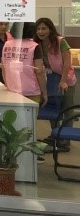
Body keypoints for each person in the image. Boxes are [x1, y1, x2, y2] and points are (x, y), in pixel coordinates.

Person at [35, 17, 77, 152]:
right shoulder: (37, 44)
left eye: (44, 28)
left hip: (66, 79)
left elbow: (67, 62)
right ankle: (55, 134)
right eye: (38, 29)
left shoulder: (60, 41)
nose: (41, 32)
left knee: (67, 108)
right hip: (51, 79)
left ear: (50, 29)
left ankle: (65, 138)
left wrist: (63, 81)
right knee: (53, 108)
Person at [2, 22, 47, 106]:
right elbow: (39, 71)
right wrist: (44, 92)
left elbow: (4, 67)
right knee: (30, 114)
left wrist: (8, 85)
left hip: (12, 90)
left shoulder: (7, 44)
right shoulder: (34, 46)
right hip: (31, 91)